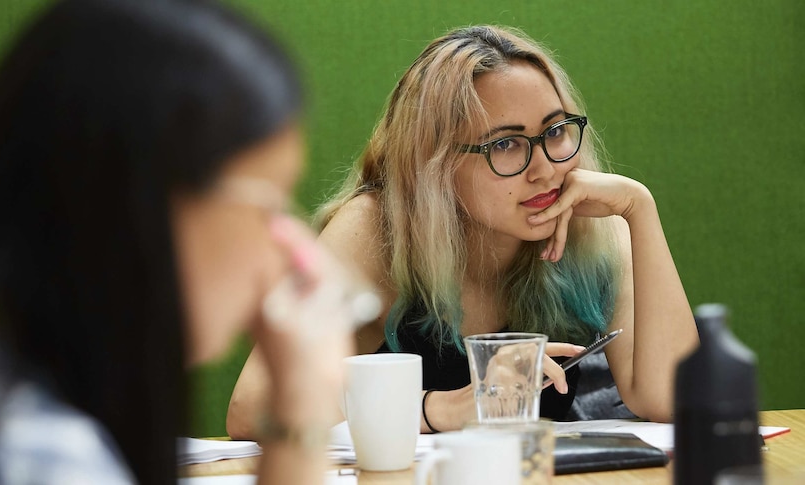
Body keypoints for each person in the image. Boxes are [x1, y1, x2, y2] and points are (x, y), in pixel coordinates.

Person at [0, 0, 355, 484]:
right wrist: (302, 407)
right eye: (268, 205)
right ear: (141, 200)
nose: (284, 246)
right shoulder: (36, 453)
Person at [228, 25, 699, 435]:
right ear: (436, 164)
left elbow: (675, 399)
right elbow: (253, 409)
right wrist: (442, 408)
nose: (545, 170)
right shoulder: (376, 230)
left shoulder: (591, 225)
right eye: (507, 144)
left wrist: (640, 209)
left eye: (555, 131)